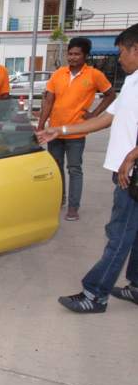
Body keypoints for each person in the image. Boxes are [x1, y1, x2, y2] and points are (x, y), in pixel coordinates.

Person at [36, 24, 138, 313]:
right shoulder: (132, 82)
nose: (119, 58)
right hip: (125, 168)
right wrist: (60, 130)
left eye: (122, 52)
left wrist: (132, 156)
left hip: (131, 173)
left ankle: (95, 294)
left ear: (136, 49)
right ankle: (136, 286)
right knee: (133, 232)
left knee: (119, 234)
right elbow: (105, 119)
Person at [37, 37, 116, 221]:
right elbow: (48, 101)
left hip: (77, 133)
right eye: (70, 54)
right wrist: (41, 125)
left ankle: (73, 207)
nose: (72, 57)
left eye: (76, 54)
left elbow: (110, 94)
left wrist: (94, 114)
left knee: (74, 169)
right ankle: (59, 200)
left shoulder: (94, 75)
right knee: (56, 168)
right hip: (54, 132)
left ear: (85, 55)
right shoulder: (58, 74)